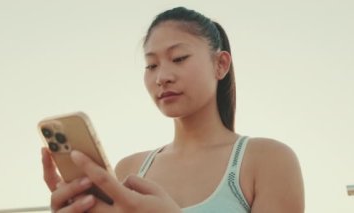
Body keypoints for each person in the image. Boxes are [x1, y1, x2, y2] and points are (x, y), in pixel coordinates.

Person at [41, 6, 304, 213]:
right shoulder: (129, 170)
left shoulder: (267, 160)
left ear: (220, 64)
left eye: (179, 58)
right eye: (151, 65)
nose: (162, 77)